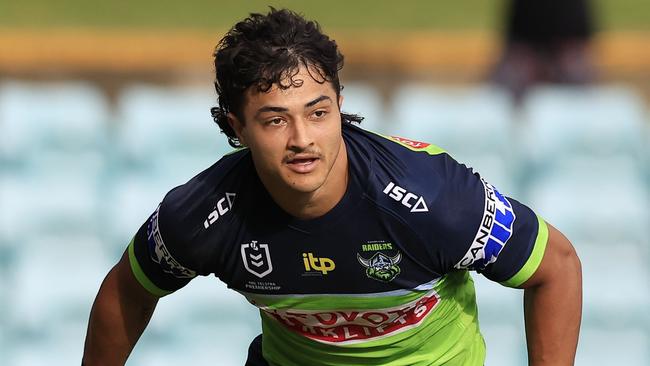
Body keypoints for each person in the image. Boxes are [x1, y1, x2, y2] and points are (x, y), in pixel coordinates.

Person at [82, 8, 582, 366]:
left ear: (340, 105)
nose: (303, 140)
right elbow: (125, 292)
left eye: (318, 113)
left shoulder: (431, 197)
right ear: (236, 128)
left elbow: (556, 266)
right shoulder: (206, 212)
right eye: (276, 121)